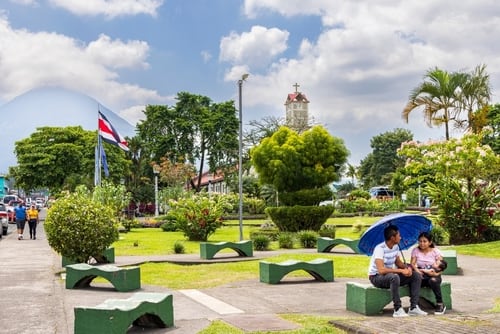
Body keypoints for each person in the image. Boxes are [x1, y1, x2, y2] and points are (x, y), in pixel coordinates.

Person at [368, 225, 427, 317]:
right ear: (392, 237)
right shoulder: (379, 249)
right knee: (394, 277)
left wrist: (407, 268)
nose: (400, 237)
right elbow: (381, 270)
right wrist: (401, 271)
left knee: (416, 276)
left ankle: (414, 307)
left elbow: (398, 263)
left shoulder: (395, 247)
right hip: (376, 277)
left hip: (389, 275)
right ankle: (397, 309)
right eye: (399, 235)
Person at [411, 232, 447, 315]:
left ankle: (440, 303)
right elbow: (412, 264)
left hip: (433, 274)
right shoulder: (415, 250)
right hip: (421, 274)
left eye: (424, 241)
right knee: (414, 280)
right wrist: (417, 270)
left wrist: (436, 274)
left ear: (430, 242)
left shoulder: (435, 251)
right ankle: (414, 305)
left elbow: (442, 266)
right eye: (420, 241)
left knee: (433, 280)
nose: (422, 243)